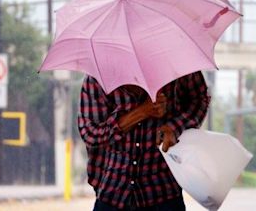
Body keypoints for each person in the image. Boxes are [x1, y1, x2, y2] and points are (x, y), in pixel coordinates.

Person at [78, 71, 210, 211]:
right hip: (113, 193)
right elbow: (90, 134)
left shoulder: (176, 64)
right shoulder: (98, 76)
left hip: (163, 192)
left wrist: (175, 127)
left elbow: (199, 98)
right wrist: (141, 112)